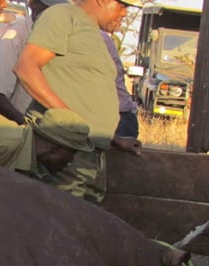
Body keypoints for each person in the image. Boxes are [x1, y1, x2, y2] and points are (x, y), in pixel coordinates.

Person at [14, 0, 140, 203]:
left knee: (81, 227)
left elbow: (82, 89)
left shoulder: (96, 35)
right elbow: (26, 68)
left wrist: (112, 137)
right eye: (122, 5)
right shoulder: (63, 16)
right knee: (55, 223)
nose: (124, 13)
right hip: (63, 148)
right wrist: (71, 122)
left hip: (90, 151)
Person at [0, 0, 62, 125]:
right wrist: (27, 124)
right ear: (31, 4)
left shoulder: (58, 36)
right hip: (21, 130)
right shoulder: (15, 37)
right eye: (47, 8)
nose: (52, 14)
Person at [100, 29, 140, 149]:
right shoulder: (102, 37)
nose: (124, 14)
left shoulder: (97, 38)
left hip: (116, 116)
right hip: (120, 115)